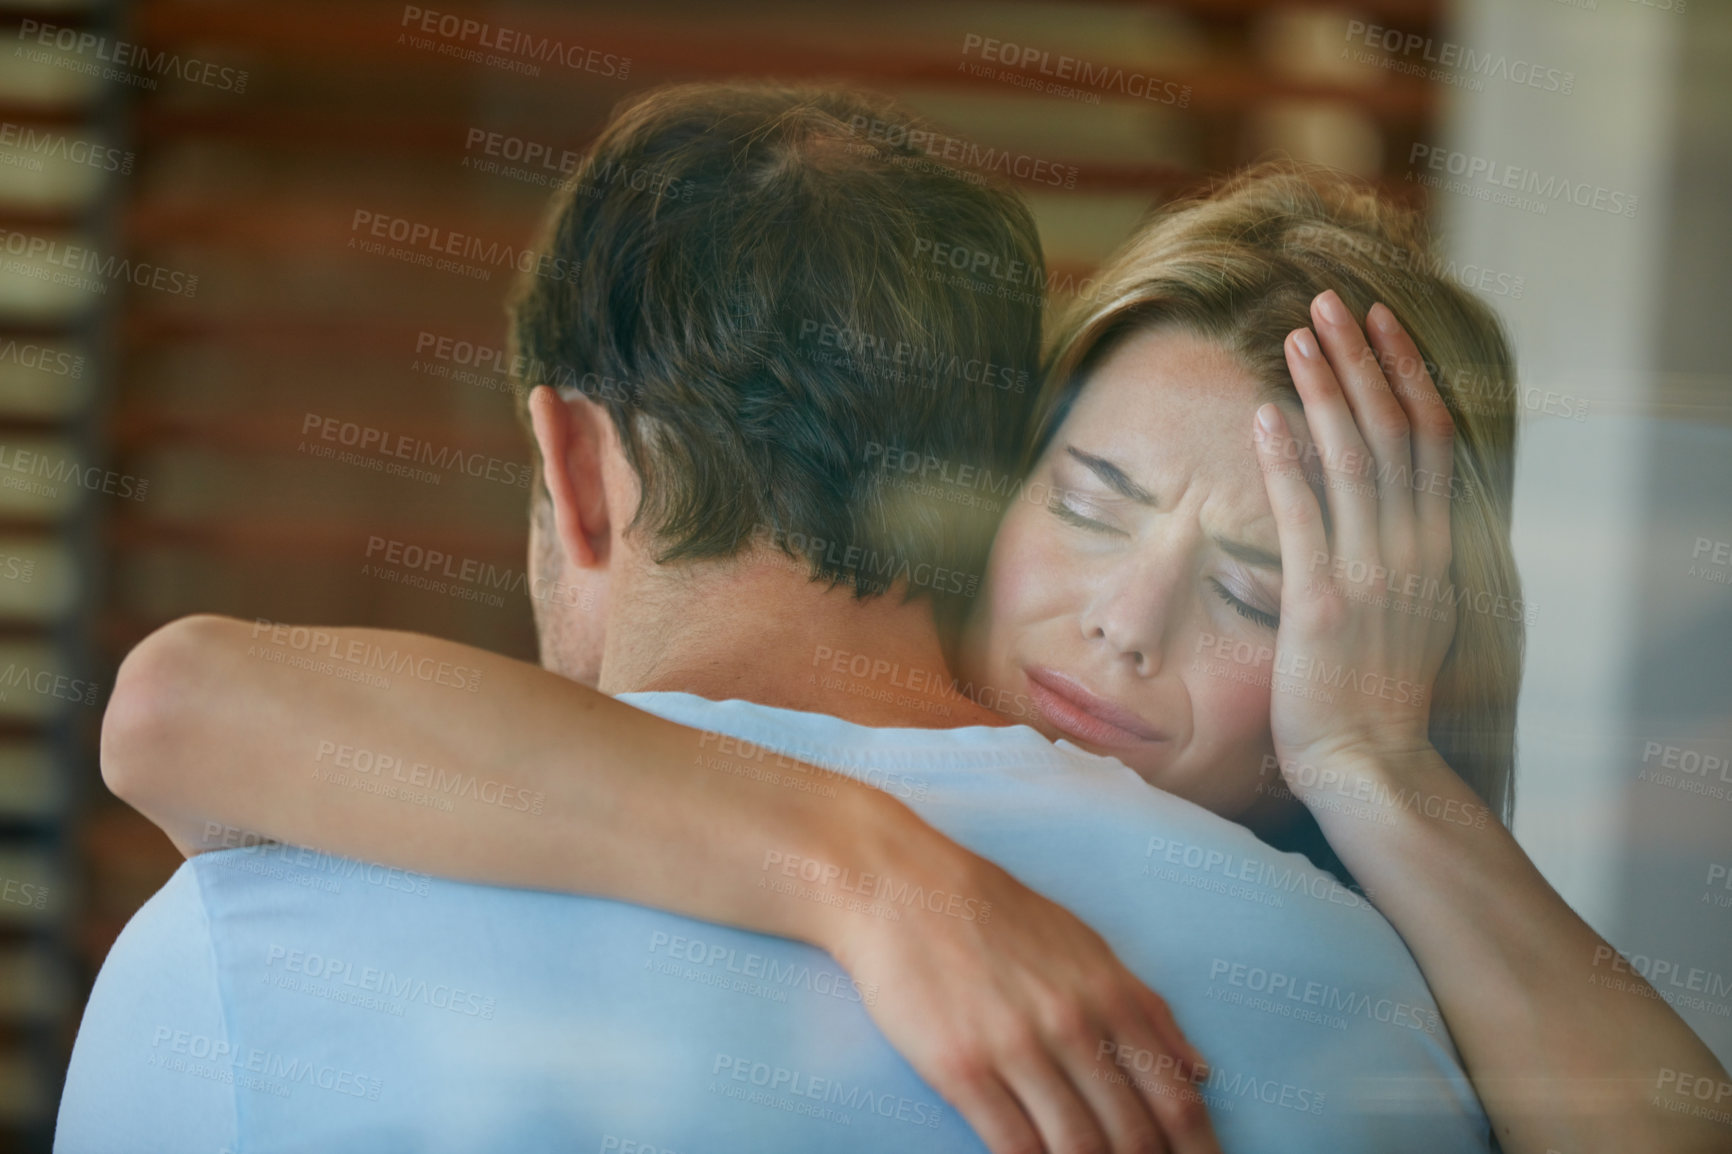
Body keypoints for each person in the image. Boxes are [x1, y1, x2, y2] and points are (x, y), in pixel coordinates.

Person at [60, 85, 1518, 1154]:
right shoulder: (1367, 1012)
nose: (1128, 623)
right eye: (1096, 500)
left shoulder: (224, 948)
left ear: (571, 468)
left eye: (1254, 589)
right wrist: (859, 870)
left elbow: (182, 701)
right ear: (992, 478)